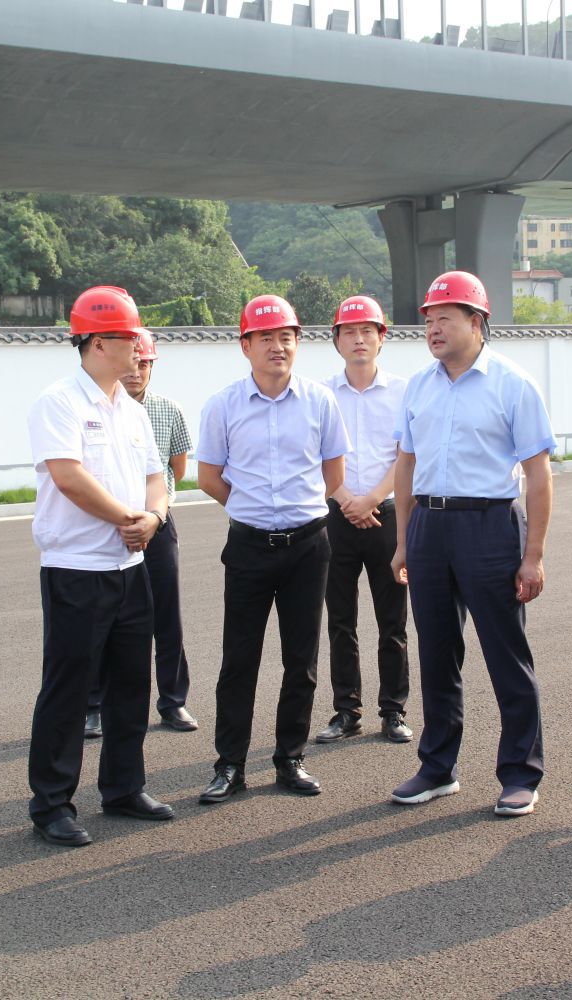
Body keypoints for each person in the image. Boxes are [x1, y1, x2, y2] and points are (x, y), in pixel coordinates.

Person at [387, 270, 555, 818]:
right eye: (428, 321)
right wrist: (403, 541)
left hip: (490, 526)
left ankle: (521, 774)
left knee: (506, 653)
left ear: (477, 322)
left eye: (445, 318)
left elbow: (538, 474)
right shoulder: (419, 386)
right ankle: (437, 768)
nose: (433, 329)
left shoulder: (513, 383)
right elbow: (405, 465)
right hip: (429, 527)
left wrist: (533, 556)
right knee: (436, 654)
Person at [26, 286, 174, 847]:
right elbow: (68, 477)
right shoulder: (59, 402)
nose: (139, 348)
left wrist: (153, 517)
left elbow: (156, 476)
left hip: (130, 564)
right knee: (68, 688)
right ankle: (51, 804)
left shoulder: (132, 411)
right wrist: (125, 518)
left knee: (131, 684)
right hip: (77, 567)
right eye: (128, 338)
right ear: (95, 343)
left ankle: (124, 787)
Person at [195, 294, 348, 803]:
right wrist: (251, 506)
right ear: (246, 346)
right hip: (249, 547)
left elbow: (334, 474)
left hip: (308, 546)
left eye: (286, 337)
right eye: (265, 338)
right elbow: (209, 477)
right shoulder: (222, 405)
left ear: (298, 343)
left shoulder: (320, 401)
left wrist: (296, 508)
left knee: (301, 659)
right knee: (239, 660)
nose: (277, 346)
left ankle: (290, 758)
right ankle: (230, 765)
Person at [87, 328, 199, 735]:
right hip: (109, 524)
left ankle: (173, 701)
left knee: (166, 613)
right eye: (135, 361)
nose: (138, 371)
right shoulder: (96, 408)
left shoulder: (168, 409)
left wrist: (155, 512)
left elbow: (176, 469)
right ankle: (94, 704)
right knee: (104, 617)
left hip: (158, 522)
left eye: (146, 363)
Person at [316, 294, 413, 746]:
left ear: (381, 338)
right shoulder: (320, 394)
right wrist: (344, 499)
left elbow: (406, 455)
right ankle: (346, 711)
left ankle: (393, 710)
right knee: (341, 621)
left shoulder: (402, 391)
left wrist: (371, 499)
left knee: (393, 620)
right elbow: (317, 456)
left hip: (387, 515)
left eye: (367, 331)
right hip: (335, 517)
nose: (359, 339)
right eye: (350, 332)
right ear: (336, 340)